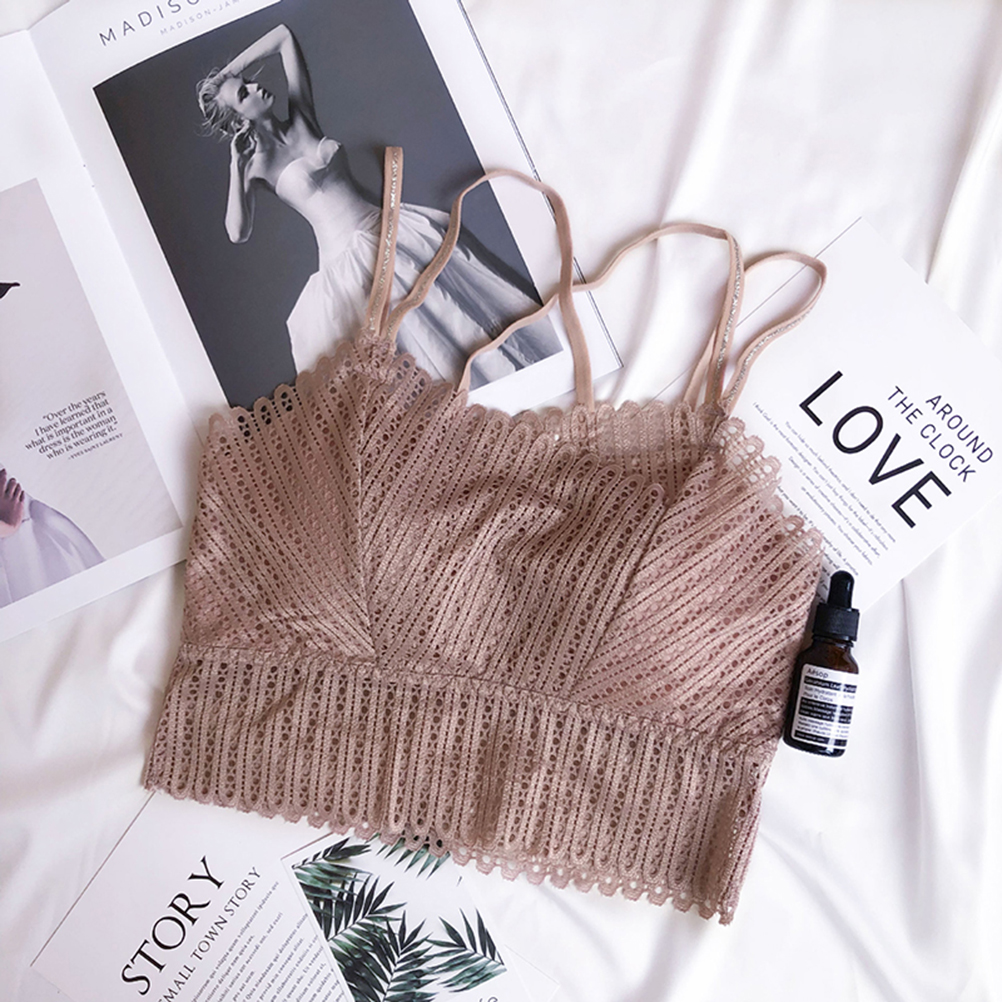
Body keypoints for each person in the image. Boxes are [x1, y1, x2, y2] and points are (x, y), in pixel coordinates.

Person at [197, 24, 560, 387]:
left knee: (457, 316)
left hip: (394, 231)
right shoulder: (256, 167)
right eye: (244, 93)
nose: (256, 87)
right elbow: (237, 232)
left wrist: (228, 75)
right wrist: (235, 166)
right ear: (239, 119)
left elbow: (283, 36)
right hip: (350, 267)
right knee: (419, 347)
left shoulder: (301, 116)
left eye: (249, 82)